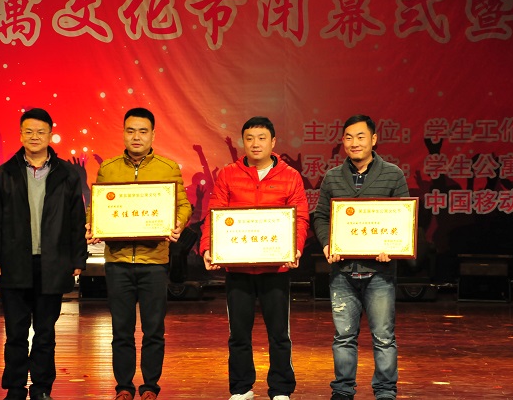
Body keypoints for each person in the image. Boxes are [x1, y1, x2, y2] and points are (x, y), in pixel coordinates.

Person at [0, 108, 88, 400]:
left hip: (53, 263)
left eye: (41, 132)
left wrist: (78, 258)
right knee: (15, 332)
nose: (35, 137)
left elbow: (76, 219)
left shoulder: (66, 173)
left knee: (45, 332)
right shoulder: (7, 172)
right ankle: (15, 388)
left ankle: (41, 388)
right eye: (28, 131)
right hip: (14, 262)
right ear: (20, 135)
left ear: (51, 135)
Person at [199, 116, 309, 400]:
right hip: (238, 269)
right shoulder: (228, 174)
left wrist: (295, 248)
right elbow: (213, 214)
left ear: (273, 142)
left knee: (279, 334)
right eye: (249, 138)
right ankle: (241, 388)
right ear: (243, 142)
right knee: (238, 334)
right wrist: (208, 248)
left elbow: (300, 218)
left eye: (262, 138)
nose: (255, 144)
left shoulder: (290, 176)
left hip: (276, 268)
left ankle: (281, 389)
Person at [85, 107, 192, 400]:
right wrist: (92, 223)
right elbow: (97, 207)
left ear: (153, 135)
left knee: (153, 329)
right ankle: (123, 386)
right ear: (123, 133)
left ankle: (150, 386)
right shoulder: (108, 168)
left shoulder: (168, 167)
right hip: (118, 261)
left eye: (143, 131)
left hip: (154, 261)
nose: (136, 137)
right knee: (121, 329)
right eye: (131, 130)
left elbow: (183, 204)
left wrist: (178, 222)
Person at [313, 114, 409, 400]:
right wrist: (327, 244)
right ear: (343, 141)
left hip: (380, 273)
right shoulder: (332, 177)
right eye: (349, 137)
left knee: (383, 337)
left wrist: (393, 247)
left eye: (361, 136)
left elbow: (404, 217)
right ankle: (343, 390)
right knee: (343, 337)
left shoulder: (393, 174)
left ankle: (385, 391)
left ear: (374, 139)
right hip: (342, 273)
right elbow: (321, 216)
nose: (354, 143)